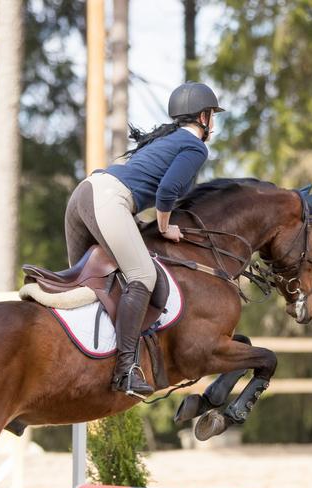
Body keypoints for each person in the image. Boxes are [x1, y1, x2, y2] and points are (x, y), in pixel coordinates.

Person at [63, 82, 223, 398]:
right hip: (108, 200)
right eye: (213, 115)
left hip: (86, 193)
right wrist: (164, 229)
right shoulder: (194, 147)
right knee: (143, 275)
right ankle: (125, 370)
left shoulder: (169, 139)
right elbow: (165, 193)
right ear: (204, 117)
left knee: (85, 287)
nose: (214, 121)